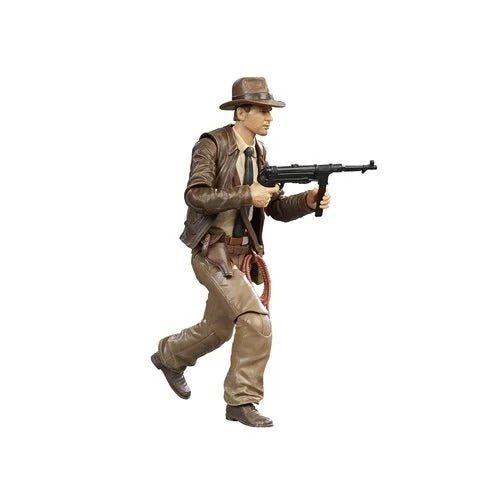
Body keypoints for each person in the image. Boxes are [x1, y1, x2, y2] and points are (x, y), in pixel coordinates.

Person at [151, 77, 331, 427]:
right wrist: (247, 193)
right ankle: (241, 401)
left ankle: (170, 356)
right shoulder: (212, 144)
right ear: (241, 112)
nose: (269, 117)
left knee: (217, 328)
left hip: (242, 256)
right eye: (262, 110)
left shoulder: (258, 152)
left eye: (270, 110)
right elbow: (196, 195)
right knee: (255, 320)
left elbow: (274, 208)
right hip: (212, 252)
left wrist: (308, 201)